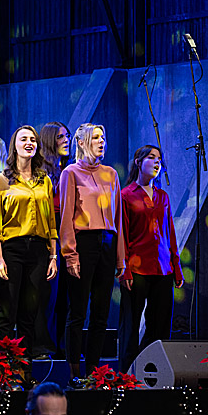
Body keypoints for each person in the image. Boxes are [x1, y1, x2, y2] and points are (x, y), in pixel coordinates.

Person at [58, 124, 124, 384]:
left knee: (101, 312)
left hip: (107, 243)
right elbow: (65, 219)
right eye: (95, 138)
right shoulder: (70, 173)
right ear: (82, 142)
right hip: (83, 243)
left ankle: (95, 372)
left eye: (103, 138)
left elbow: (117, 220)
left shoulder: (111, 174)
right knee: (77, 311)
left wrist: (120, 259)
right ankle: (74, 372)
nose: (101, 142)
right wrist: (70, 255)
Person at [0, 125, 58, 371]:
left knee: (30, 315)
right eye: (23, 139)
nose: (29, 142)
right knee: (7, 313)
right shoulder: (2, 180)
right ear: (14, 145)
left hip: (39, 251)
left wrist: (53, 255)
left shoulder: (45, 180)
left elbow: (51, 222)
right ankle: (0, 373)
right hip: (11, 249)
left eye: (32, 139)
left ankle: (24, 372)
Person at [117, 145, 183, 373]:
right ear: (138, 161)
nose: (157, 162)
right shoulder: (126, 195)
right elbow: (123, 234)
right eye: (151, 158)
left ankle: (152, 370)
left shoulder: (162, 196)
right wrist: (123, 269)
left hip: (163, 268)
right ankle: (126, 374)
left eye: (159, 159)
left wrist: (176, 266)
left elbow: (169, 232)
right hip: (136, 267)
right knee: (131, 323)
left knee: (161, 324)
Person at [37, 121, 71, 360]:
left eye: (67, 136)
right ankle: (44, 345)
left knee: (67, 296)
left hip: (69, 231)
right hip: (48, 231)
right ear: (50, 141)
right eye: (61, 137)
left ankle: (62, 345)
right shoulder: (42, 172)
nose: (66, 140)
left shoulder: (70, 169)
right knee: (49, 293)